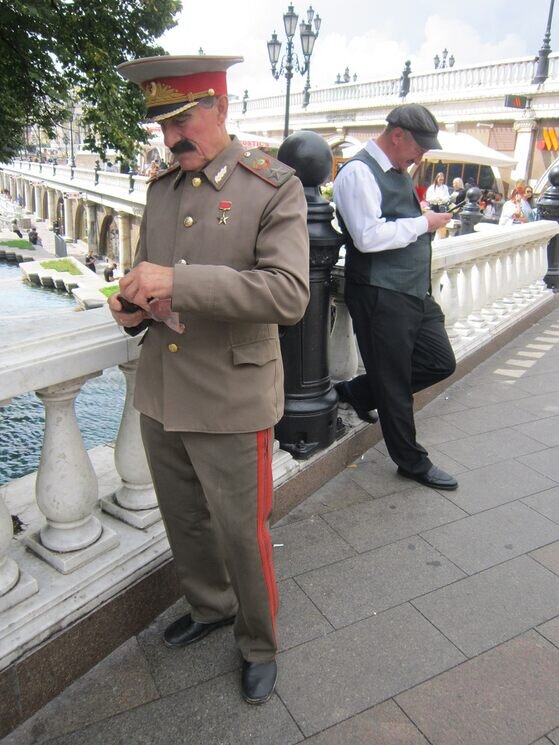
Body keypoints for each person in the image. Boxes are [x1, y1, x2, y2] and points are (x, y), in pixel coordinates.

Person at [109, 54, 309, 705]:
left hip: (231, 394)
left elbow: (287, 295)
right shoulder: (162, 188)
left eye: (182, 120)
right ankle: (209, 604)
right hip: (164, 389)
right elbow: (149, 274)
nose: (171, 139)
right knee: (184, 518)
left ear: (221, 106)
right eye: (162, 127)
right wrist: (133, 305)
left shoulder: (273, 185)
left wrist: (179, 283)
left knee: (239, 532)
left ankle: (257, 641)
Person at [333, 103, 458, 491]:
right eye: (418, 147)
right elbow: (367, 237)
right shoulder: (357, 172)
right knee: (394, 380)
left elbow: (394, 223)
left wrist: (423, 220)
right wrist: (424, 223)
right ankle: (411, 462)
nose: (421, 156)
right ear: (397, 135)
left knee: (440, 362)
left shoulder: (397, 171)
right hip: (380, 292)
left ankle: (356, 392)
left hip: (410, 290)